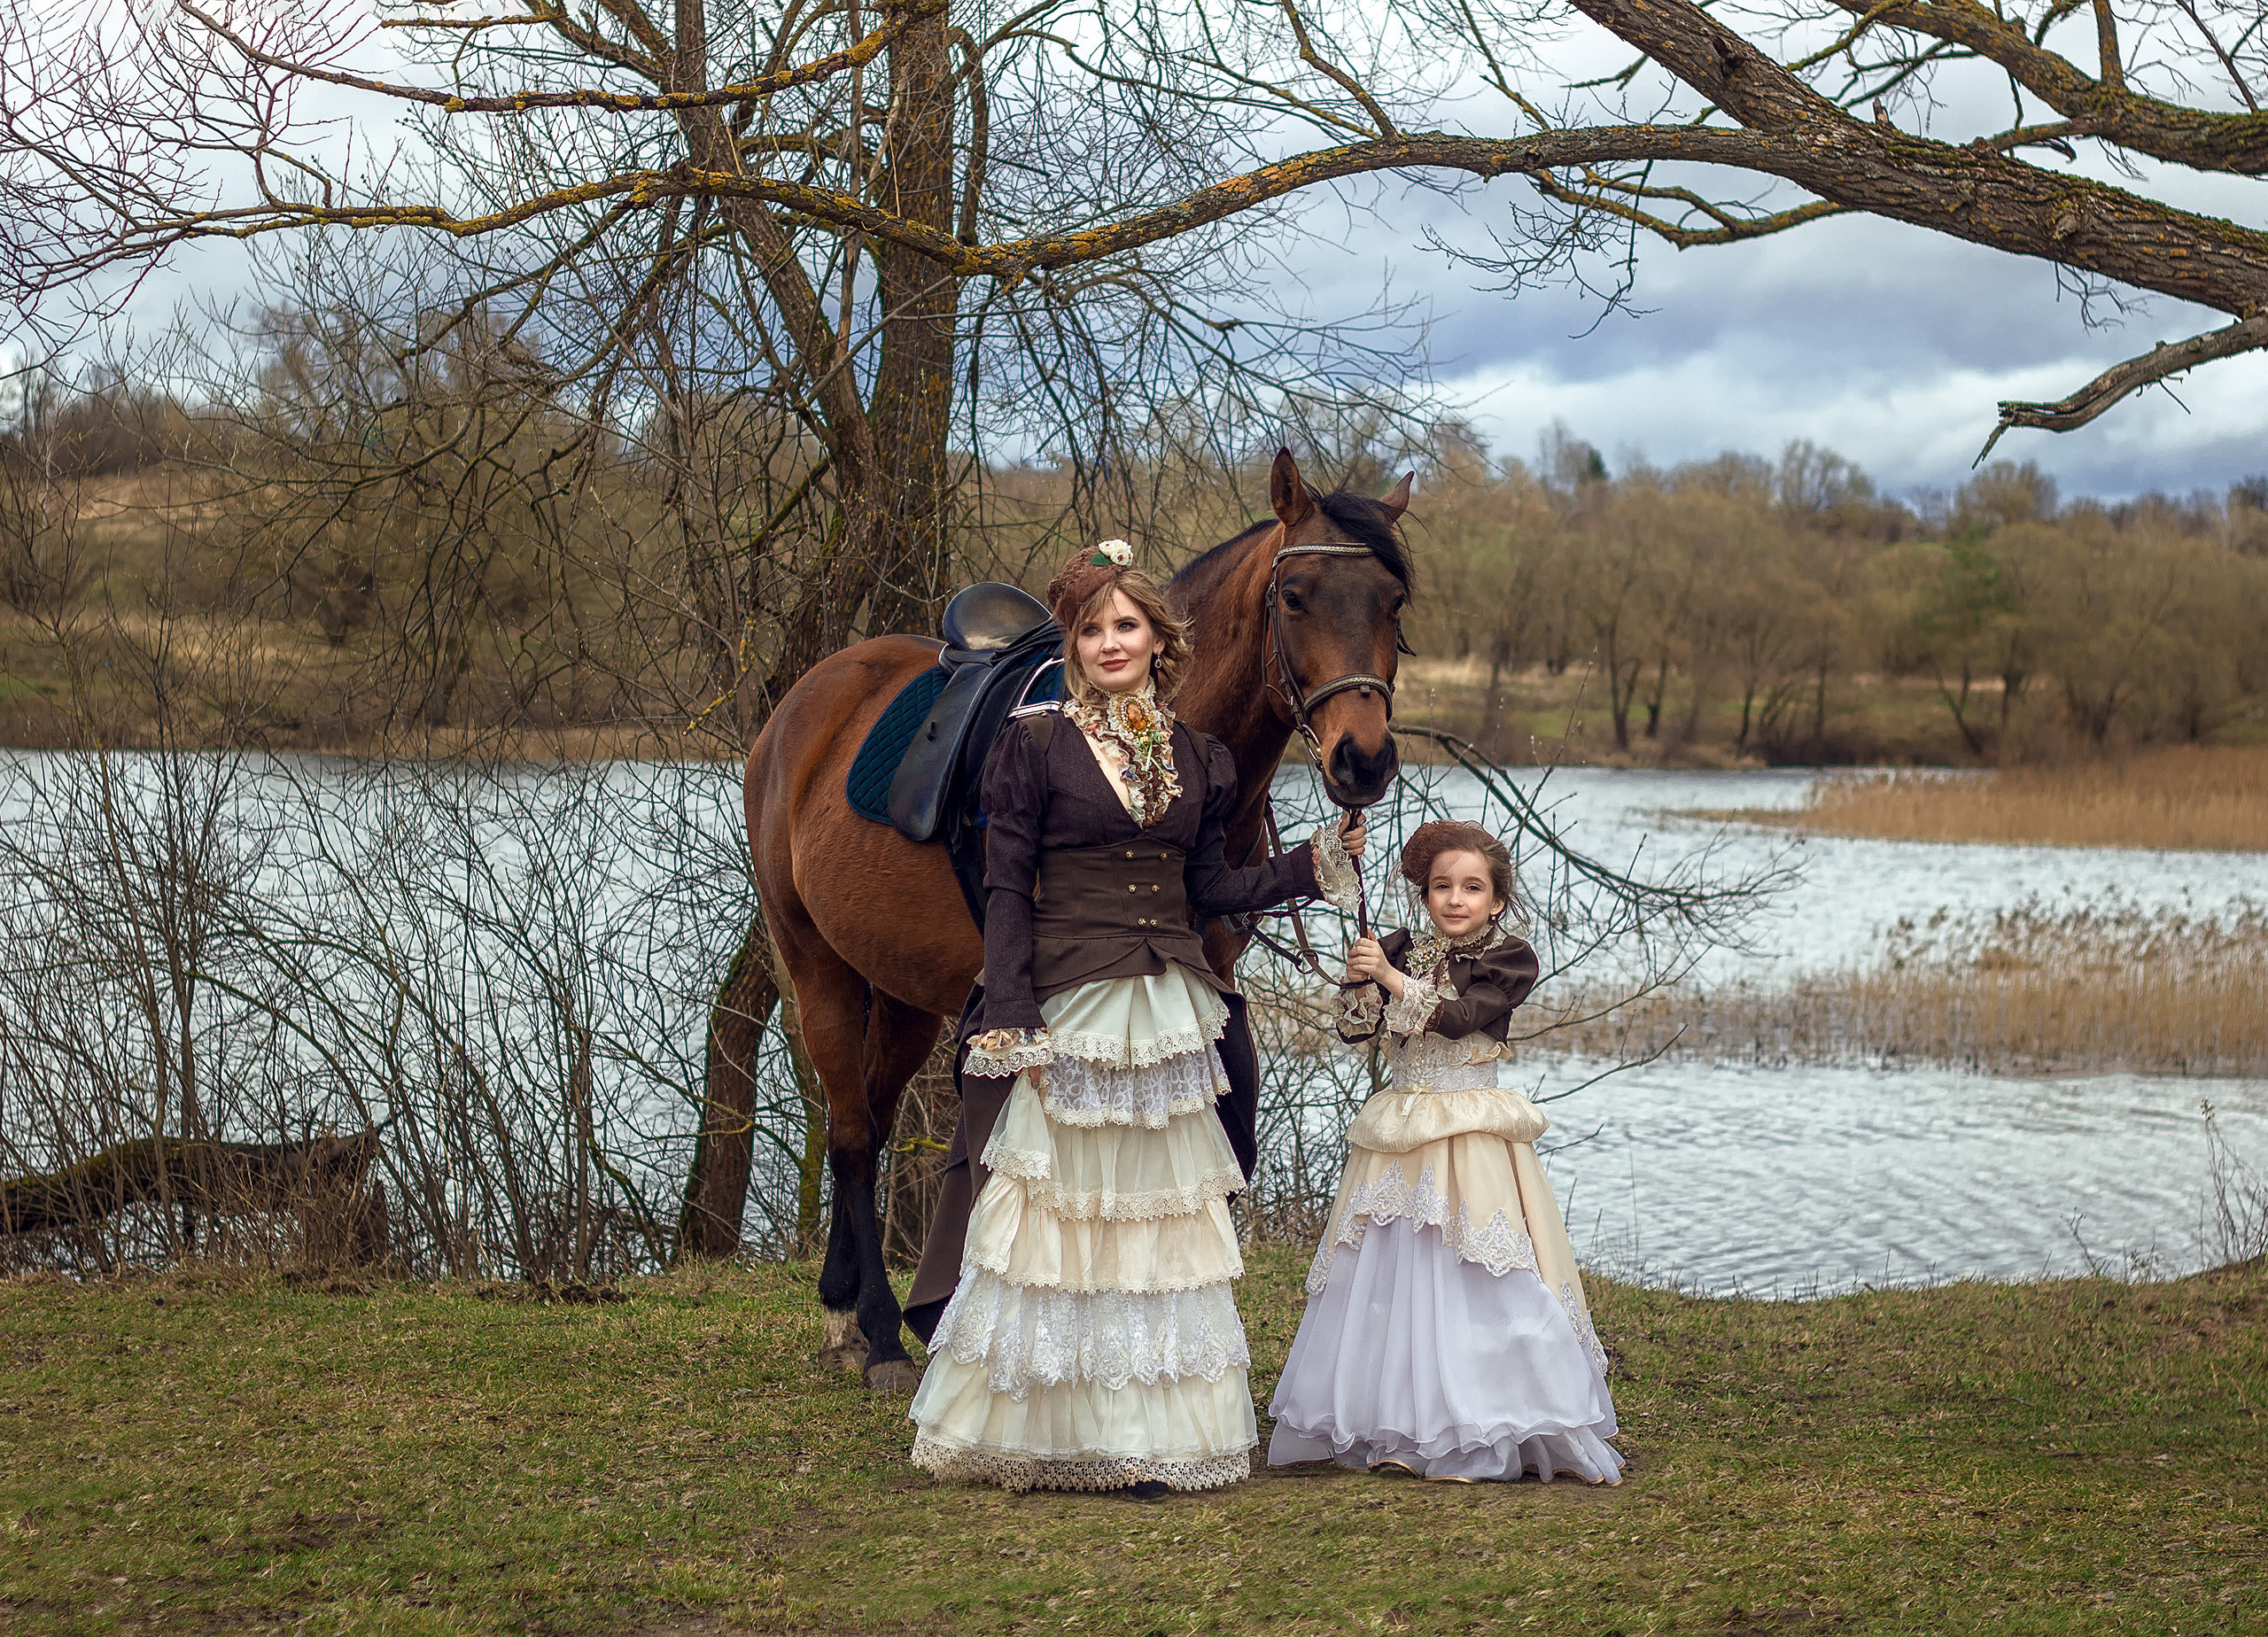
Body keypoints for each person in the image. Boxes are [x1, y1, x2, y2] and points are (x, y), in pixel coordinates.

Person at [907, 540, 1365, 1498]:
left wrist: (1310, 866)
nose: (1110, 643)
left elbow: (1208, 884)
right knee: (1058, 1218)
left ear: (1160, 640)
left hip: (1163, 1008)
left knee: (1149, 1227)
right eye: (1090, 630)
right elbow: (1004, 888)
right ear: (1071, 647)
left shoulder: (1198, 757)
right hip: (1072, 999)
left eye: (1127, 625)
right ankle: (1042, 1433)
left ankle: (1144, 1438)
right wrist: (1015, 1012)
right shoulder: (1031, 745)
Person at [1267, 820, 1622, 1484]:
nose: (1455, 900)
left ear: (1496, 899)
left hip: (1469, 1135)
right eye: (1441, 887)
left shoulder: (1510, 957)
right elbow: (1356, 1031)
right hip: (1402, 1131)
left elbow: (1461, 1018)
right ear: (1425, 894)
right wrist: (1360, 983)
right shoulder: (1400, 946)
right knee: (1396, 1276)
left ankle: (1484, 1430)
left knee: (1481, 1270)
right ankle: (1400, 1428)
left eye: (1472, 888)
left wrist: (1393, 983)